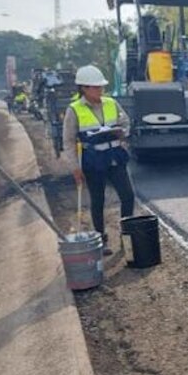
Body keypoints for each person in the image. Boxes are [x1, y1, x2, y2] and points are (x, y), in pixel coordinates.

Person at [63, 64, 135, 255]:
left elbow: (126, 121)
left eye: (101, 87)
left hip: (115, 157)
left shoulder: (111, 103)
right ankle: (101, 240)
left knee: (128, 196)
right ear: (84, 88)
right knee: (98, 200)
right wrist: (74, 168)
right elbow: (68, 141)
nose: (100, 90)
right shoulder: (74, 109)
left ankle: (126, 234)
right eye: (96, 87)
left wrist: (122, 133)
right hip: (93, 160)